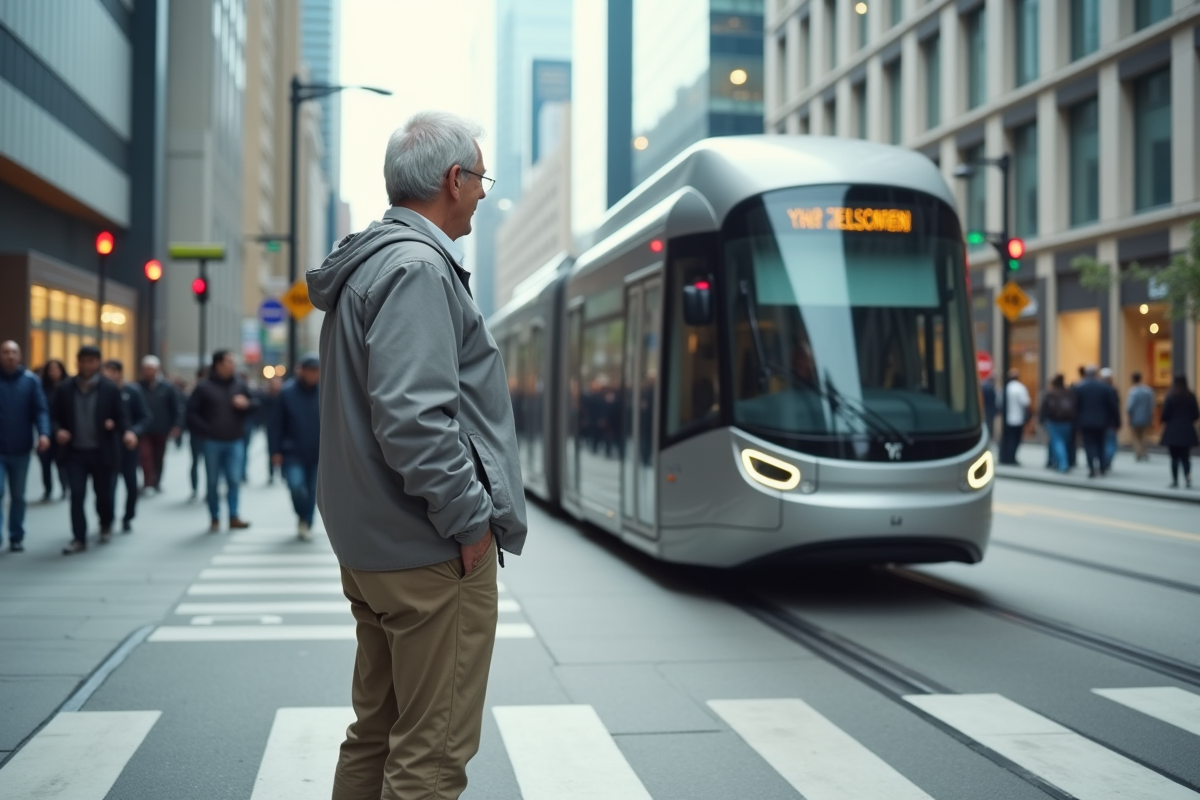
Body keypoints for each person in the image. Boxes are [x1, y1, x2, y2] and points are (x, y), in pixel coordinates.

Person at [307, 110, 528, 800]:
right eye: (482, 179)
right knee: (429, 757)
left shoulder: (373, 264)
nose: (485, 195)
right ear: (454, 179)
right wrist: (470, 523)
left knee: (376, 731)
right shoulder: (418, 269)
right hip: (426, 550)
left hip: (373, 544)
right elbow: (415, 420)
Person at [50, 345, 131, 553]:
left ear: (98, 363)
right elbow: (54, 417)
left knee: (103, 494)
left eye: (92, 361)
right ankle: (79, 538)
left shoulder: (109, 388)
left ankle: (105, 524)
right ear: (77, 362)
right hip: (75, 452)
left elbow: (122, 417)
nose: (87, 365)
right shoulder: (65, 388)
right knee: (76, 494)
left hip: (102, 451)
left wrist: (125, 431)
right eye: (83, 361)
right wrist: (58, 430)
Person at [187, 351, 255, 531]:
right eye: (229, 361)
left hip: (234, 440)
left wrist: (246, 404)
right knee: (212, 482)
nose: (233, 365)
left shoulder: (240, 384)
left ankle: (233, 516)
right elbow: (191, 413)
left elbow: (256, 405)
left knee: (234, 479)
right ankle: (214, 517)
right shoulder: (204, 386)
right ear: (218, 364)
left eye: (233, 361)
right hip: (212, 442)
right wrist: (206, 430)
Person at [0, 341, 50, 552]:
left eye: (14, 352)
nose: (10, 356)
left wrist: (44, 433)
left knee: (18, 495)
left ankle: (16, 535)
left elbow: (40, 410)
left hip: (21, 448)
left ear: (20, 356)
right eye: (5, 352)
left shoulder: (31, 381)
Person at [269, 355, 321, 540]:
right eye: (311, 371)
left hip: (318, 452)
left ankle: (306, 521)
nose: (314, 375)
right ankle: (302, 517)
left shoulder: (325, 391)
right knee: (296, 487)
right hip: (292, 451)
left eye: (317, 371)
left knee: (312, 490)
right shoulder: (287, 392)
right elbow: (276, 424)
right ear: (302, 371)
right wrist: (274, 451)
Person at [102, 360, 149, 532]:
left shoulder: (132, 392)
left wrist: (133, 432)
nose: (110, 375)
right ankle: (107, 520)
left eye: (113, 371)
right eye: (107, 371)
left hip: (128, 446)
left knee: (131, 485)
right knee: (108, 487)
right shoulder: (101, 392)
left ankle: (128, 517)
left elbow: (144, 417)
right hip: (107, 446)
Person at [137, 355, 184, 493]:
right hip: (143, 429)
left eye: (151, 369)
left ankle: (156, 481)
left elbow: (176, 407)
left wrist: (176, 425)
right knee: (145, 456)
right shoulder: (138, 387)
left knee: (158, 456)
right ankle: (148, 482)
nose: (148, 372)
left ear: (157, 369)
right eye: (146, 369)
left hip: (161, 428)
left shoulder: (167, 388)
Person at [1073, 365, 1120, 478]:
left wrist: (1076, 423)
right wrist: (1117, 421)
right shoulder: (1105, 388)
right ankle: (1102, 467)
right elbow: (1113, 407)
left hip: (1086, 422)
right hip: (1102, 422)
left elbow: (1076, 407)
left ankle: (1091, 469)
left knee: (1089, 446)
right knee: (1101, 445)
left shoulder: (1080, 388)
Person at [1160, 375, 1199, 489]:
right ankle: (1187, 477)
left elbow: (1165, 415)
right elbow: (1196, 414)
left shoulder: (1171, 396)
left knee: (1174, 457)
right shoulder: (1190, 396)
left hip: (1173, 431)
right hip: (1187, 430)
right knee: (1186, 457)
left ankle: (1175, 480)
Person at [38, 359, 69, 500]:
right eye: (50, 369)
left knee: (61, 462)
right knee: (45, 462)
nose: (53, 372)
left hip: (62, 432)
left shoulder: (68, 387)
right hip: (45, 431)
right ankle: (48, 489)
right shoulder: (41, 388)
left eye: (56, 368)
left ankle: (64, 487)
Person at [1038, 374, 1076, 473]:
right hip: (1067, 422)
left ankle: (1063, 464)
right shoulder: (1068, 393)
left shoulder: (1050, 393)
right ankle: (1061, 462)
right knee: (1064, 443)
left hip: (1054, 422)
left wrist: (1041, 421)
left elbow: (1043, 409)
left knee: (1057, 442)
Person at [999, 369, 1030, 465]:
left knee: (1008, 439)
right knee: (1015, 439)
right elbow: (1026, 403)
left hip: (1007, 419)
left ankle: (1007, 457)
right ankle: (1012, 457)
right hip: (1017, 418)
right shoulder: (1020, 388)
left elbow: (999, 403)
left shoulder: (1005, 388)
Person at [1126, 371, 1155, 461]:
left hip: (1135, 417)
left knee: (1135, 436)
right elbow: (1151, 405)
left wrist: (1128, 415)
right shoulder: (1148, 390)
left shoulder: (1133, 391)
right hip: (1146, 417)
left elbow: (1130, 406)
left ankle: (1138, 452)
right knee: (1144, 436)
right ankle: (1144, 452)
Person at [260, 376, 283, 485]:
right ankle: (271, 473)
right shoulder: (266, 397)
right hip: (270, 427)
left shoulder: (284, 396)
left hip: (284, 427)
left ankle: (283, 472)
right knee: (271, 450)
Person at [1099, 367, 1121, 470]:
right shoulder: (1112, 390)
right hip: (1109, 422)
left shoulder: (1100, 388)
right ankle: (1106, 462)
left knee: (1105, 444)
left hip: (1102, 422)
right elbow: (1115, 407)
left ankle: (1104, 462)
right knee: (1111, 444)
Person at [980, 374, 997, 441]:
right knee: (989, 423)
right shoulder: (991, 387)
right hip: (989, 409)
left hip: (985, 408)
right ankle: (988, 437)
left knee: (986, 423)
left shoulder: (984, 386)